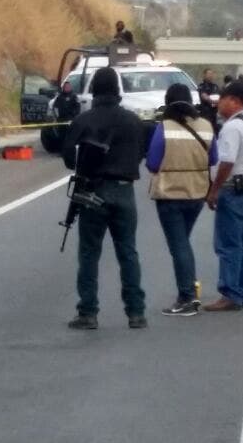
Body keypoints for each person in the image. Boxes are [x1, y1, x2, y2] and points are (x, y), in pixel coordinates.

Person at [61, 67, 147, 330]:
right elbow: (141, 152)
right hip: (124, 190)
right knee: (128, 252)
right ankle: (136, 313)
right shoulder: (134, 120)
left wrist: (85, 167)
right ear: (118, 90)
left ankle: (88, 312)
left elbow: (67, 155)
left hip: (92, 191)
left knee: (89, 253)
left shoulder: (84, 120)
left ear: (94, 90)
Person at [146, 83, 218, 316]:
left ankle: (187, 296)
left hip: (169, 193)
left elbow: (153, 162)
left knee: (178, 246)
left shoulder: (164, 127)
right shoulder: (206, 125)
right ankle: (188, 288)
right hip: (197, 192)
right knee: (182, 243)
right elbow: (213, 158)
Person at [204, 82, 243, 312]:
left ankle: (230, 293)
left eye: (223, 99)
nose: (219, 104)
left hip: (232, 188)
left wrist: (214, 189)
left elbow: (227, 161)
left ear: (234, 101)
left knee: (229, 244)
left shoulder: (231, 128)